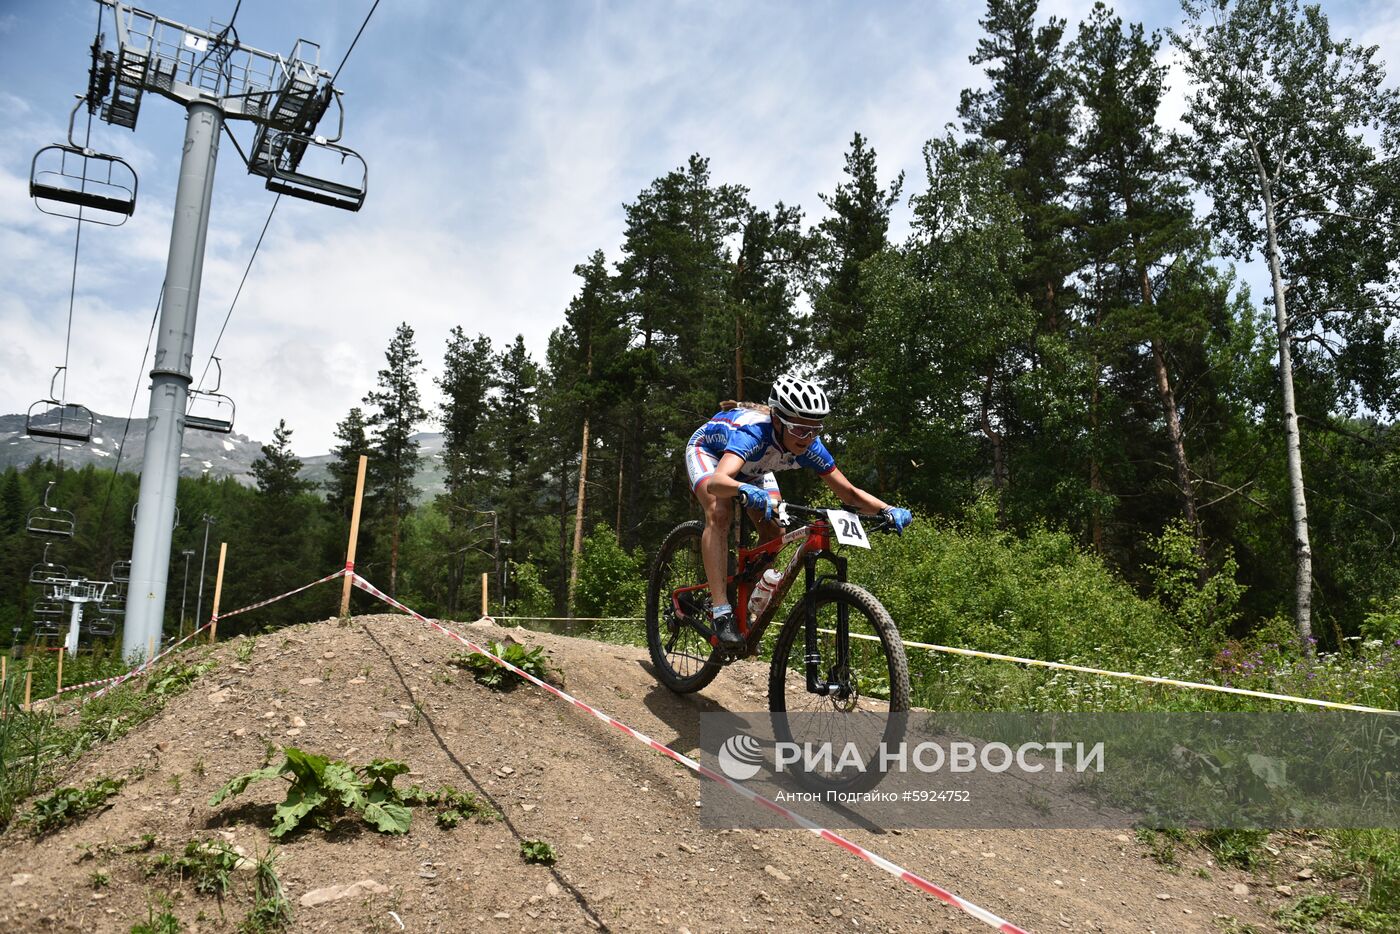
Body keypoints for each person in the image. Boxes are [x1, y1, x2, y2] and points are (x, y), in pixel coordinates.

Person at [684, 373, 912, 648]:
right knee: (719, 513)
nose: (808, 438)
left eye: (815, 430)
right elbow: (720, 483)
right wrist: (743, 490)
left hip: (754, 466)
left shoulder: (809, 446)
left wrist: (888, 509)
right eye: (801, 430)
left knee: (775, 528)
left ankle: (744, 593)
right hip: (712, 454)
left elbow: (849, 493)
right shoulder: (753, 433)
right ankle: (721, 612)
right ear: (778, 421)